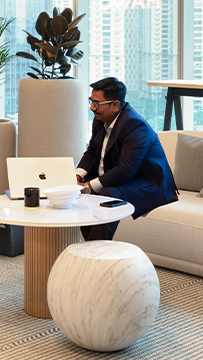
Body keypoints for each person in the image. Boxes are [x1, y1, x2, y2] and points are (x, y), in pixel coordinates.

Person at [75, 77, 178, 241]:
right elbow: (92, 151)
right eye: (91, 101)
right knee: (78, 191)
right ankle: (93, 249)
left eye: (97, 103)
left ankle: (94, 251)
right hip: (119, 177)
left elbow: (125, 171)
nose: (92, 107)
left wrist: (88, 186)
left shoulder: (135, 126)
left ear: (115, 105)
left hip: (144, 183)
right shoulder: (100, 119)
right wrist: (77, 177)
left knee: (106, 194)